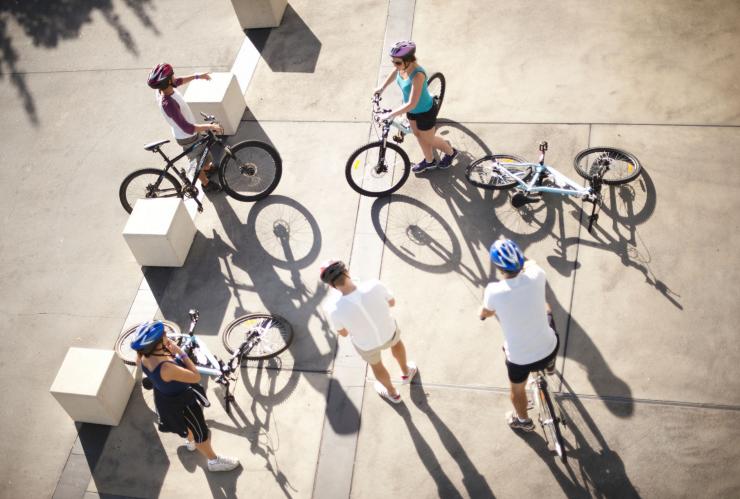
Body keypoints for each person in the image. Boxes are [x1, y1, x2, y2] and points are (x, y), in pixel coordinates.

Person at [131, 321, 240, 472]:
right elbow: (195, 377)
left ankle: (190, 442)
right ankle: (214, 461)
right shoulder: (166, 368)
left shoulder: (143, 357)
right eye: (164, 335)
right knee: (201, 433)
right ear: (156, 344)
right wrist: (180, 353)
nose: (167, 336)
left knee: (186, 426)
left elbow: (147, 367)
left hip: (165, 400)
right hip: (183, 404)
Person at [478, 239, 559, 431]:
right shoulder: (537, 274)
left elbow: (484, 314)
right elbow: (532, 263)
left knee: (517, 389)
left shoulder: (493, 291)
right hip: (549, 347)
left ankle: (523, 421)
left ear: (498, 267)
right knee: (547, 309)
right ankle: (550, 366)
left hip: (520, 360)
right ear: (521, 261)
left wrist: (485, 312)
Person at [321, 260, 417, 403]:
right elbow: (392, 303)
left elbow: (344, 333)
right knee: (397, 345)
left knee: (377, 366)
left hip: (366, 345)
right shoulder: (374, 285)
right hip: (389, 331)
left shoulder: (333, 308)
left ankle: (393, 394)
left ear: (331, 285)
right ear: (347, 272)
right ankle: (406, 372)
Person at [373, 40, 458, 173]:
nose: (395, 65)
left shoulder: (418, 75)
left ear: (409, 60)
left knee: (429, 139)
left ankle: (450, 152)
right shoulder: (401, 67)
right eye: (393, 62)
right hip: (411, 111)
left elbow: (412, 103)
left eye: (398, 62)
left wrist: (390, 115)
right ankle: (429, 161)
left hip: (425, 112)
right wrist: (381, 87)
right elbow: (394, 72)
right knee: (418, 135)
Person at [147, 63, 224, 192]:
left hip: (188, 134)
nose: (174, 77)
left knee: (204, 153)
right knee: (196, 162)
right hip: (187, 137)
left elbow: (178, 81)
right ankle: (206, 184)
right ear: (168, 81)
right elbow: (187, 128)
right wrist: (209, 126)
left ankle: (207, 168)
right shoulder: (169, 104)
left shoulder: (163, 89)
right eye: (172, 76)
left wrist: (198, 76)